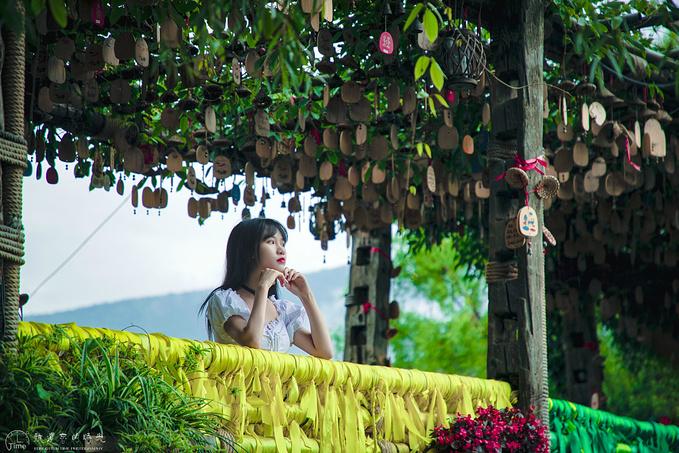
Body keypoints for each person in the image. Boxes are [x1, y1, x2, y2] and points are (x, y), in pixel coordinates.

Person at [198, 218, 333, 359]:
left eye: (283, 243)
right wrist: (263, 286)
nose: (281, 250)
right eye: (271, 242)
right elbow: (252, 342)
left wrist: (306, 296)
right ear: (249, 250)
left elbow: (324, 352)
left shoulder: (282, 311)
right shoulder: (225, 301)